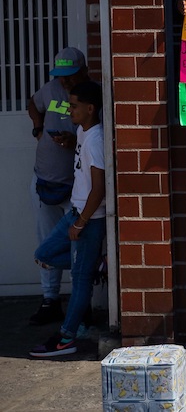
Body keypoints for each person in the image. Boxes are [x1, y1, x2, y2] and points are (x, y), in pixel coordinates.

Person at [29, 80, 106, 357]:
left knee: (79, 278)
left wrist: (81, 222)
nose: (69, 110)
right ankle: (96, 265)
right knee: (44, 255)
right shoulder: (83, 132)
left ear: (90, 108)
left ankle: (66, 338)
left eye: (74, 106)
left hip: (87, 218)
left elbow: (100, 187)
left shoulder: (96, 139)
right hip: (75, 211)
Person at [27, 47, 90, 325]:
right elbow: (33, 103)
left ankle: (81, 303)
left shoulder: (92, 94)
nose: (64, 82)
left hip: (76, 188)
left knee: (79, 246)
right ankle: (50, 299)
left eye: (69, 76)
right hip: (44, 180)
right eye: (60, 76)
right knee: (46, 244)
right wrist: (38, 128)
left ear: (83, 71)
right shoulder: (50, 88)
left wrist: (74, 141)